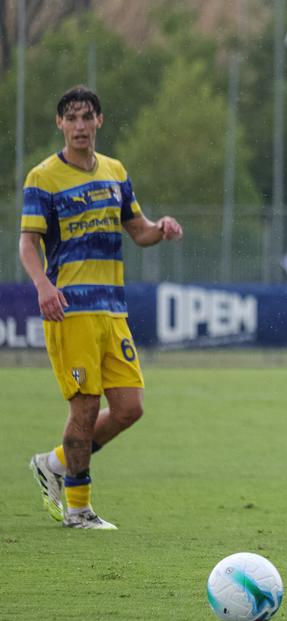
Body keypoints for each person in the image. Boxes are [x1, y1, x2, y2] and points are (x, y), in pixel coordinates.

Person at [20, 86, 183, 529]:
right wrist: (42, 285)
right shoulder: (43, 177)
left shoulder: (114, 171)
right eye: (70, 118)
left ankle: (54, 462)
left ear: (99, 122)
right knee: (85, 409)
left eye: (86, 118)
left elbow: (139, 230)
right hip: (71, 310)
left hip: (112, 310)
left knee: (130, 408)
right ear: (60, 124)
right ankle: (79, 509)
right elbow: (28, 242)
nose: (78, 126)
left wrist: (161, 229)